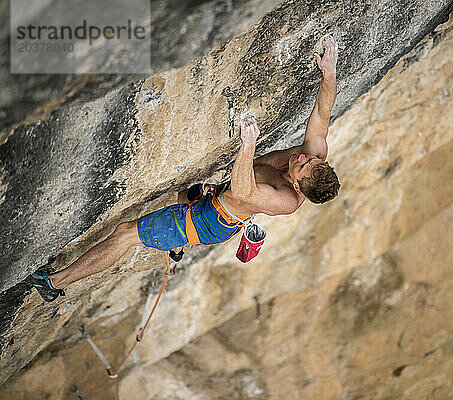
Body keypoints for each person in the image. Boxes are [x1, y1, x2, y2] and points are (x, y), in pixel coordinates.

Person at [28, 35, 341, 302]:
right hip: (215, 199)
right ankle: (175, 247)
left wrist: (248, 145)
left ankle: (54, 284)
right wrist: (329, 74)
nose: (302, 157)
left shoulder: (286, 201)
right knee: (184, 189)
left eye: (303, 165)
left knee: (125, 233)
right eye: (310, 159)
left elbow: (243, 190)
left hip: (206, 222)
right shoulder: (313, 156)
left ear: (298, 186)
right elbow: (322, 114)